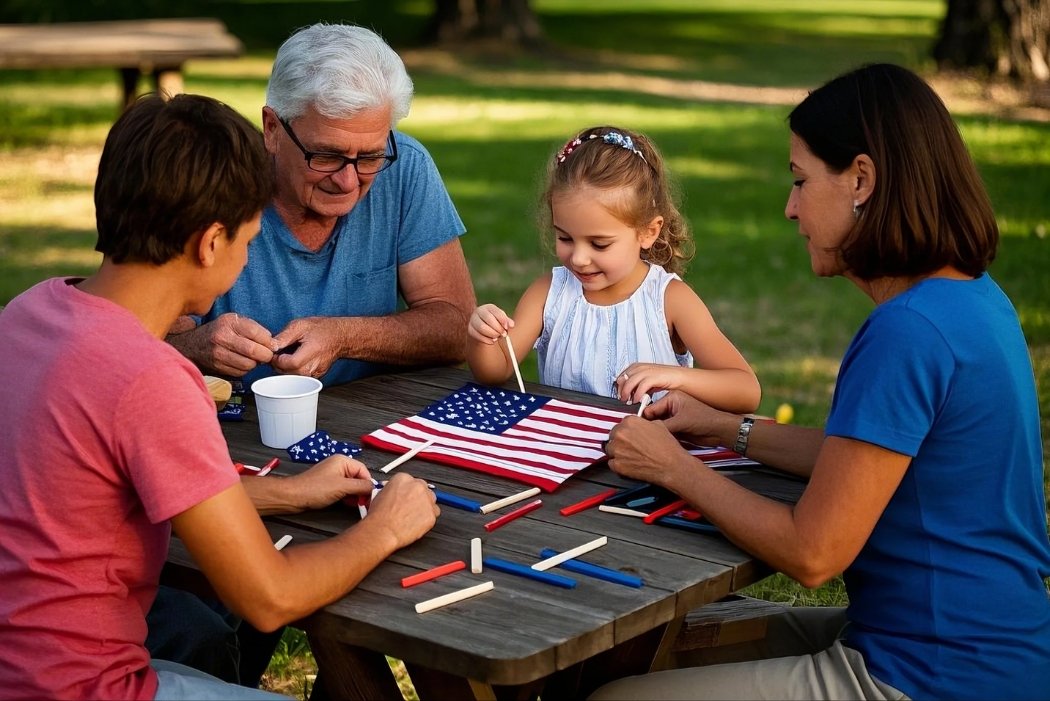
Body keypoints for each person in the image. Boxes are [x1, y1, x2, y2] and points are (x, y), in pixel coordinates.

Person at [593, 64, 1050, 700]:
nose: (790, 207)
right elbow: (863, 462)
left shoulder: (908, 331)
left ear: (861, 179)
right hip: (985, 647)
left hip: (933, 675)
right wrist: (725, 427)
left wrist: (674, 467)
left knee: (615, 698)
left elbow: (813, 553)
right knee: (657, 653)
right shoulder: (972, 297)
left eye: (801, 181)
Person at [0, 93, 439, 700]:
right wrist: (385, 528)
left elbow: (107, 496)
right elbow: (269, 597)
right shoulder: (149, 377)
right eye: (248, 239)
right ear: (210, 243)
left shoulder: (28, 313)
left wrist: (292, 493)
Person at [166, 22, 475, 387]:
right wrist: (194, 347)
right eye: (326, 155)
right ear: (272, 129)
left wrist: (345, 336)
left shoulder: (404, 165)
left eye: (370, 157)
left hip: (373, 415)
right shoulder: (213, 183)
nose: (348, 181)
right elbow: (131, 337)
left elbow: (458, 328)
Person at [467, 125, 760, 413]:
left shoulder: (670, 300)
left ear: (647, 232)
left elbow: (745, 390)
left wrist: (677, 377)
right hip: (565, 453)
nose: (579, 258)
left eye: (599, 244)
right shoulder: (548, 294)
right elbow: (497, 370)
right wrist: (482, 337)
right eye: (565, 238)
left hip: (647, 455)